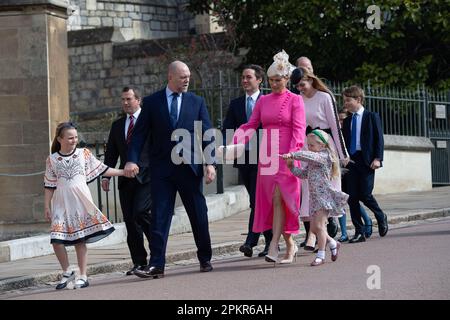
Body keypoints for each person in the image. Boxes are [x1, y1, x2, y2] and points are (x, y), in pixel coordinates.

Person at [124, 61, 217, 279]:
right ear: (170, 77)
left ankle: (205, 258)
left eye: (188, 76)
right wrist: (131, 160)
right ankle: (157, 265)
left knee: (198, 215)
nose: (187, 80)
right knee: (159, 217)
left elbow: (208, 134)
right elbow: (139, 135)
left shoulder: (196, 102)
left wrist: (210, 163)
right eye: (182, 76)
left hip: (189, 169)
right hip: (162, 171)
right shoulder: (153, 102)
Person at [221, 50, 306, 264]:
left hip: (287, 155)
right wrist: (234, 143)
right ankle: (287, 245)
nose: (274, 84)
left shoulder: (295, 100)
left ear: (287, 79)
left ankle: (275, 245)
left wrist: (294, 152)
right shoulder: (264, 101)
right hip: (267, 156)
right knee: (272, 201)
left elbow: (299, 129)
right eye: (271, 80)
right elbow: (250, 125)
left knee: (283, 200)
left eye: (278, 80)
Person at [44, 122, 125, 289]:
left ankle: (83, 275)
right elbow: (49, 185)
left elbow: (102, 169)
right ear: (60, 139)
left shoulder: (84, 154)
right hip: (61, 202)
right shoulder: (52, 160)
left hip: (80, 201)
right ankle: (67, 271)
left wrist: (123, 172)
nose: (74, 140)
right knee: (56, 241)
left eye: (75, 137)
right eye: (70, 137)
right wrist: (47, 206)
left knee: (79, 240)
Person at [292, 67, 349, 250]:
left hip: (325, 145)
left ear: (310, 79)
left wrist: (342, 154)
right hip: (308, 145)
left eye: (302, 84)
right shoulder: (299, 99)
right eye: (297, 86)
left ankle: (317, 237)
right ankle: (316, 236)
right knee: (309, 189)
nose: (300, 88)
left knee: (325, 189)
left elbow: (335, 126)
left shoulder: (325, 97)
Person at [222, 64, 273, 258]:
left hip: (266, 159)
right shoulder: (235, 104)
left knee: (261, 200)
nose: (244, 81)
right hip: (245, 160)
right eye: (243, 77)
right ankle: (267, 241)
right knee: (256, 200)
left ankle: (252, 241)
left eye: (248, 77)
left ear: (259, 80)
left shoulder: (267, 101)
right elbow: (228, 128)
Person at [101, 87, 153, 275]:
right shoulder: (117, 125)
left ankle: (157, 254)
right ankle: (139, 262)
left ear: (138, 100)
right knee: (131, 222)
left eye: (129, 99)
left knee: (141, 213)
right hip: (125, 179)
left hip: (147, 177)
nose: (125, 102)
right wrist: (106, 174)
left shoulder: (149, 121)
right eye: (123, 99)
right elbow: (111, 153)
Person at [281, 130, 347, 266]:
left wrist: (293, 154)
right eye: (308, 145)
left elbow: (306, 155)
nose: (309, 148)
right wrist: (291, 167)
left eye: (311, 145)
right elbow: (304, 174)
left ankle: (321, 255)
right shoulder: (314, 159)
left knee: (319, 226)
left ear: (322, 145)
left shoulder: (324, 156)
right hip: (314, 198)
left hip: (324, 198)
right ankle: (333, 243)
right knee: (316, 228)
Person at [341, 85, 388, 243]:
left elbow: (379, 140)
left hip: (367, 160)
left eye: (348, 100)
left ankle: (381, 216)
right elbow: (345, 142)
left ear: (358, 100)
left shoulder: (371, 116)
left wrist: (378, 158)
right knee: (352, 197)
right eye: (344, 100)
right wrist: (343, 157)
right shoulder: (347, 121)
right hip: (352, 161)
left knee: (365, 194)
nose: (345, 103)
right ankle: (359, 231)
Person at [337, 108, 372, 242]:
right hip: (338, 169)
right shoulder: (335, 133)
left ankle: (367, 220)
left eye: (342, 119)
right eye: (338, 119)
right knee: (340, 199)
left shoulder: (350, 131)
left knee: (352, 198)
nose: (340, 122)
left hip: (351, 168)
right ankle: (344, 233)